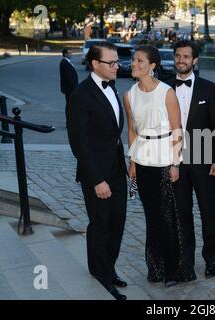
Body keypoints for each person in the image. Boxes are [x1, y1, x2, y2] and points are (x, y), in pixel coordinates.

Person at [124, 45, 196, 287]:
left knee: (168, 217)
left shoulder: (166, 92)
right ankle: (156, 267)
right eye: (134, 60)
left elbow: (178, 131)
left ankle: (175, 270)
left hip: (165, 159)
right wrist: (132, 162)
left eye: (140, 61)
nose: (134, 64)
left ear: (152, 66)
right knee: (151, 216)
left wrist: (175, 163)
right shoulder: (129, 95)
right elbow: (132, 131)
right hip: (142, 160)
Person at [66, 42, 127, 300]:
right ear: (94, 64)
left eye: (117, 62)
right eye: (111, 63)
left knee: (117, 222)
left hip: (116, 168)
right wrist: (97, 179)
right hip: (97, 174)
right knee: (100, 224)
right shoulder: (80, 96)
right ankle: (102, 276)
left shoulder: (112, 87)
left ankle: (108, 268)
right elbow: (80, 143)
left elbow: (113, 133)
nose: (117, 66)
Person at [166, 40, 215, 278]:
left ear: (195, 60)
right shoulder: (165, 88)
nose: (181, 60)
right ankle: (185, 261)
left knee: (208, 212)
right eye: (178, 56)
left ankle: (211, 259)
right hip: (176, 162)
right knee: (182, 215)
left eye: (186, 56)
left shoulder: (209, 89)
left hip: (203, 161)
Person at [59, 48, 78, 126]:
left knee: (71, 106)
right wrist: (75, 89)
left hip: (70, 88)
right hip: (70, 89)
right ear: (65, 54)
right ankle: (69, 122)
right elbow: (69, 78)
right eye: (70, 53)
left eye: (71, 53)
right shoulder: (64, 63)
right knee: (70, 106)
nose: (71, 54)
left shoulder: (67, 62)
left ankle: (71, 121)